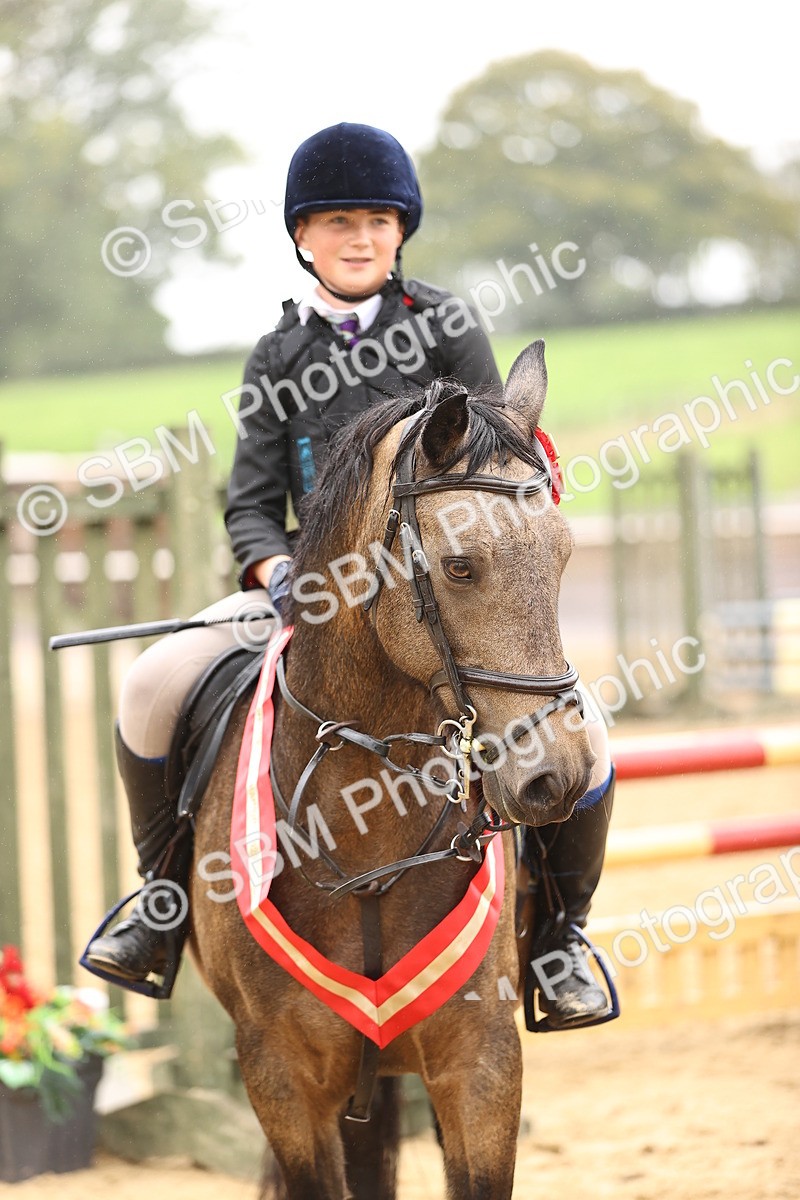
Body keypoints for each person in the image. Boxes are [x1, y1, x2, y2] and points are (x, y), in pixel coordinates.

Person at [85, 122, 614, 1028]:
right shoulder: (277, 356)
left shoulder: (447, 327)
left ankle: (561, 939)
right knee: (150, 684)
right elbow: (251, 501)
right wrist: (276, 569)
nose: (360, 238)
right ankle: (160, 906)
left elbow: (504, 458)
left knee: (588, 733)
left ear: (402, 229)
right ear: (303, 236)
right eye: (337, 222)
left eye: (376, 220)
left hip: (442, 597)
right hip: (308, 596)